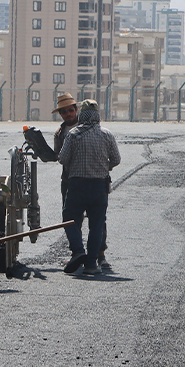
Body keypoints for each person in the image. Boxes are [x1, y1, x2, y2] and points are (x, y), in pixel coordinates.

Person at [58, 100, 119, 276]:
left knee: (69, 218)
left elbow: (62, 158)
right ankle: (92, 264)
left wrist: (76, 164)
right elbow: (116, 159)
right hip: (100, 184)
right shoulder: (107, 134)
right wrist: (102, 167)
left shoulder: (74, 134)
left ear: (81, 114)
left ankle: (78, 251)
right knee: (97, 225)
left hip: (77, 184)